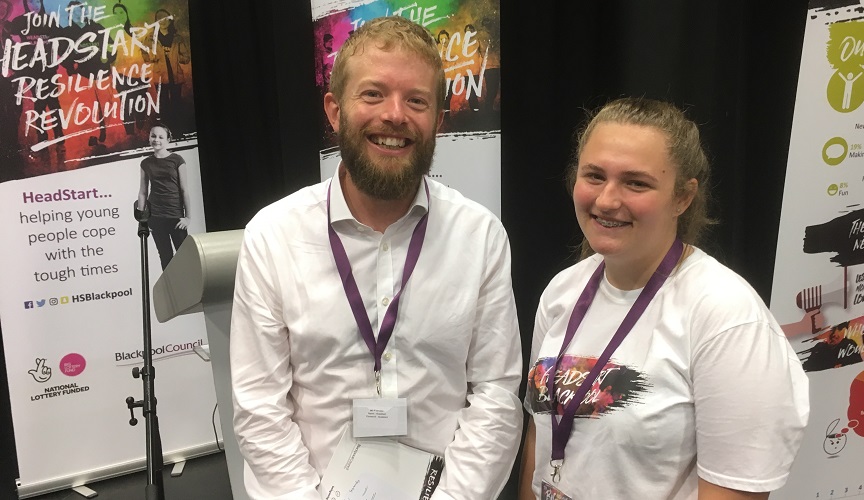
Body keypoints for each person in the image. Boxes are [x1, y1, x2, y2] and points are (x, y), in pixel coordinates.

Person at [230, 16, 522, 500]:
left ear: (439, 119)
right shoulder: (273, 236)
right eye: (372, 94)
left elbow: (495, 396)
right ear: (335, 110)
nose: (394, 115)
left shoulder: (481, 237)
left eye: (416, 100)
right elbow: (261, 410)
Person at [518, 98, 809, 500]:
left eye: (636, 182)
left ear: (683, 197)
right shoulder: (562, 291)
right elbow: (541, 427)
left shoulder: (726, 316)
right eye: (594, 176)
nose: (606, 200)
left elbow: (735, 491)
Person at [136, 123, 190, 270]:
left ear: (168, 140)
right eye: (153, 136)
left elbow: (184, 190)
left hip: (176, 216)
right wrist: (142, 221)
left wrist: (188, 217)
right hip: (156, 217)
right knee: (165, 257)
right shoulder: (145, 163)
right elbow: (143, 192)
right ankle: (172, 291)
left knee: (184, 256)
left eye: (161, 137)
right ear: (149, 138)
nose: (156, 139)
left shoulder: (177, 160)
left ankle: (188, 290)